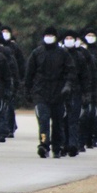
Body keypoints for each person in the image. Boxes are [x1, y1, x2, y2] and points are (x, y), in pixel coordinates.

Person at [24, 26, 76, 159]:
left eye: (51, 35)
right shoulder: (37, 53)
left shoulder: (63, 53)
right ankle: (44, 144)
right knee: (44, 120)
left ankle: (57, 147)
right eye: (47, 35)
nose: (49, 38)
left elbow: (70, 71)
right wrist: (28, 91)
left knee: (58, 122)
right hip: (41, 92)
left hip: (58, 93)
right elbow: (29, 73)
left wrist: (67, 86)